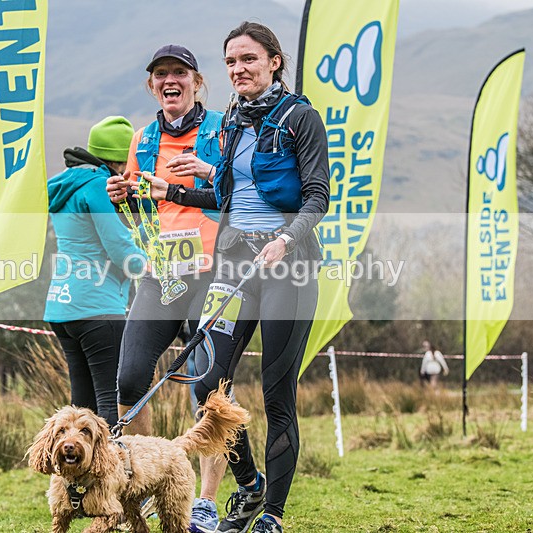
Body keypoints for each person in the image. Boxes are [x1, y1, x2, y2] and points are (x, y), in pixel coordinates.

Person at [136, 22, 330, 533]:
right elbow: (228, 197)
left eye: (248, 59)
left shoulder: (300, 118)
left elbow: (317, 196)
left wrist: (285, 239)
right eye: (230, 62)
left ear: (274, 62)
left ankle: (272, 516)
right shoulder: (234, 124)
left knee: (275, 392)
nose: (238, 69)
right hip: (234, 262)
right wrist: (169, 189)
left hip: (288, 263)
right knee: (207, 381)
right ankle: (248, 485)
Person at [105, 44, 228, 532]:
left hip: (213, 274)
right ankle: (147, 482)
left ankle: (205, 500)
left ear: (197, 81)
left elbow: (239, 192)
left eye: (179, 73)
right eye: (160, 74)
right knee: (131, 380)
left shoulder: (223, 129)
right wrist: (122, 198)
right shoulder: (144, 137)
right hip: (162, 275)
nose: (169, 80)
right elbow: (142, 211)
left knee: (209, 389)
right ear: (151, 85)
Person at [43, 116, 145, 428]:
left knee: (81, 406)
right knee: (109, 401)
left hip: (62, 306)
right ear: (120, 158)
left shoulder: (65, 183)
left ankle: (75, 475)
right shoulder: (98, 186)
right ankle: (112, 472)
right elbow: (118, 247)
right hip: (98, 306)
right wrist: (153, 269)